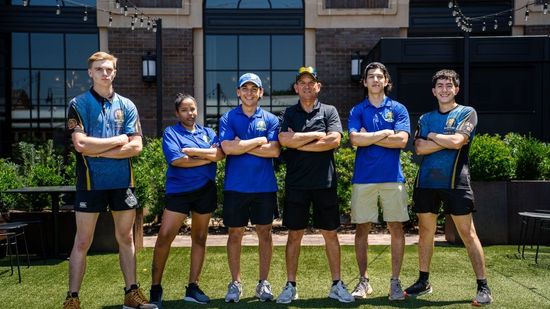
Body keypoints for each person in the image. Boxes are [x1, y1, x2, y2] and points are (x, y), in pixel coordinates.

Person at [64, 52, 156, 309]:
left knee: (126, 239)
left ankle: (132, 293)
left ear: (115, 72)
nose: (105, 73)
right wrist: (117, 141)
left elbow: (136, 146)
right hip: (90, 183)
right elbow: (80, 144)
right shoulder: (78, 104)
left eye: (109, 69)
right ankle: (72, 299)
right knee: (82, 241)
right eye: (99, 69)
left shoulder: (127, 106)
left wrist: (97, 148)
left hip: (122, 183)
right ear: (90, 73)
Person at [404, 69, 493, 305]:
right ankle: (423, 281)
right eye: (440, 85)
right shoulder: (425, 118)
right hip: (427, 182)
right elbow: (419, 148)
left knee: (467, 233)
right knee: (425, 232)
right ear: (434, 91)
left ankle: (483, 286)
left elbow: (457, 142)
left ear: (457, 89)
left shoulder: (467, 113)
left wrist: (433, 136)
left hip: (456, 181)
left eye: (449, 85)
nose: (444, 89)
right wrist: (443, 139)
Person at [276, 66, 354, 304]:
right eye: (302, 83)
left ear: (318, 86)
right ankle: (290, 285)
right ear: (296, 88)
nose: (307, 86)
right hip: (297, 184)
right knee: (294, 235)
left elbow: (334, 140)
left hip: (324, 183)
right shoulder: (289, 113)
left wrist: (299, 140)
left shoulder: (329, 111)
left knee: (330, 234)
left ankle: (336, 285)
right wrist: (316, 136)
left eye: (312, 83)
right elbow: (283, 140)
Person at [149, 94, 224, 307]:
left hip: (205, 191)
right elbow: (177, 161)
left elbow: (218, 155)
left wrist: (193, 153)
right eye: (184, 110)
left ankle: (193, 287)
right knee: (164, 237)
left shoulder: (208, 132)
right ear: (177, 113)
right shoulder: (171, 132)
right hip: (179, 192)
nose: (190, 114)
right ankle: (156, 288)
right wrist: (205, 157)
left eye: (192, 109)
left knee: (199, 238)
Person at [347, 62, 410, 301]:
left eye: (379, 76)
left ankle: (395, 282)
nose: (375, 80)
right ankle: (364, 282)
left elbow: (402, 140)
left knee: (396, 227)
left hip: (392, 178)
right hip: (364, 178)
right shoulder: (357, 110)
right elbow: (354, 139)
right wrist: (386, 133)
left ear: (386, 81)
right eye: (370, 76)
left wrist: (370, 137)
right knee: (362, 228)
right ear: (364, 82)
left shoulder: (398, 109)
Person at [218, 73, 281, 303]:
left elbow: (274, 151)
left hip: (264, 187)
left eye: (254, 89)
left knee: (265, 233)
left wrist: (241, 144)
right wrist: (257, 141)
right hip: (236, 187)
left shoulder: (271, 120)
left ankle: (263, 283)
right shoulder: (228, 118)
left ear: (260, 93)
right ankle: (235, 283)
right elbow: (227, 148)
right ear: (238, 92)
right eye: (245, 88)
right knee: (235, 234)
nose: (249, 93)